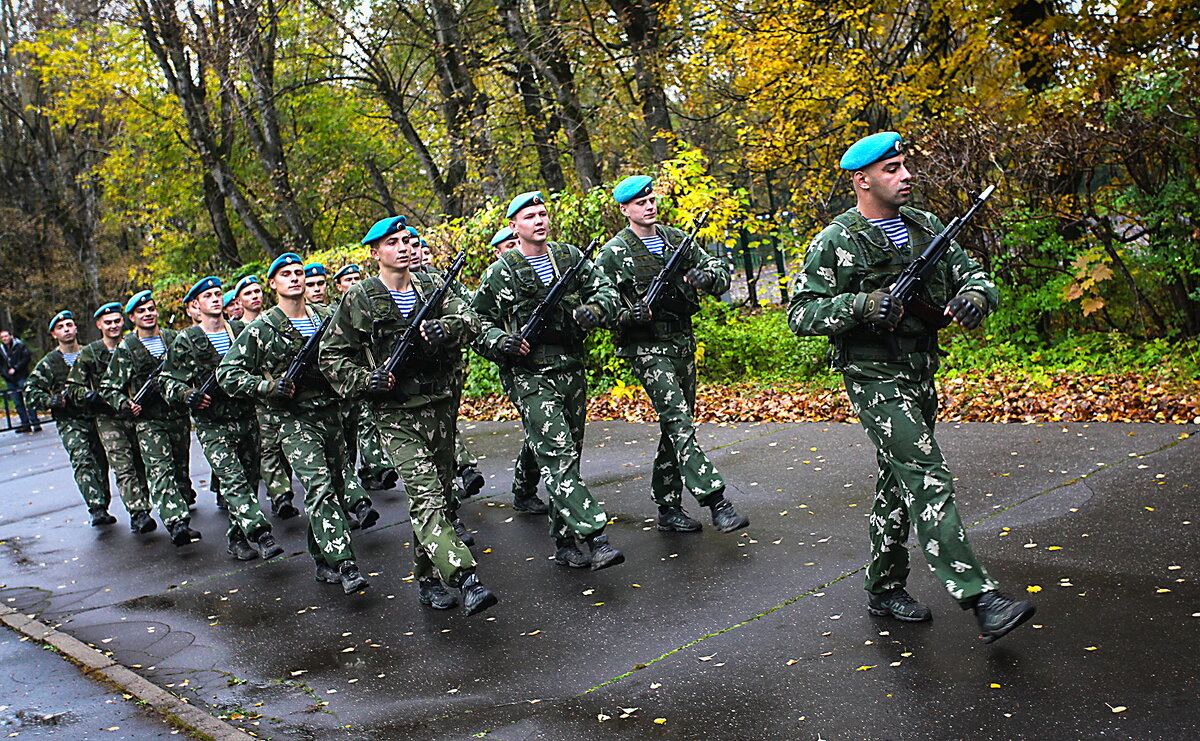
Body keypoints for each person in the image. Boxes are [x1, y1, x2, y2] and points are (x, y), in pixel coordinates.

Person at [786, 131, 1035, 643]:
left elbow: (975, 275)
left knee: (898, 480)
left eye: (904, 166)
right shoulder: (837, 241)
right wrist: (859, 306)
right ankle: (980, 597)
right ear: (862, 180)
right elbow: (801, 313)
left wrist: (973, 297)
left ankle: (883, 587)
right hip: (874, 376)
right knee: (926, 475)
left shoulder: (926, 227)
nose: (905, 176)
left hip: (922, 370)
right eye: (892, 169)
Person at [322, 217, 496, 615]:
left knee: (441, 497)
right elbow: (330, 356)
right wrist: (367, 380)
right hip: (395, 412)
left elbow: (470, 319)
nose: (402, 247)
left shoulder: (433, 285)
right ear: (375, 253)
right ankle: (466, 578)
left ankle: (426, 578)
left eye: (407, 240)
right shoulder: (360, 298)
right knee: (427, 494)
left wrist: (445, 329)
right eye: (392, 243)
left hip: (440, 407)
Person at [471, 191, 623, 571]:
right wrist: (501, 341)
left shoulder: (569, 256)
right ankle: (595, 536)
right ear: (513, 227)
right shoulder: (500, 272)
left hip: (570, 366)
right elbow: (473, 324)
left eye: (542, 214)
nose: (539, 221)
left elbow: (605, 290)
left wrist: (594, 310)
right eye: (529, 216)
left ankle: (563, 539)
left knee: (569, 455)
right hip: (528, 374)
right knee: (557, 455)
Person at [596, 175, 749, 534]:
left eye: (651, 200)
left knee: (675, 426)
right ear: (624, 210)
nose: (649, 206)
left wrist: (703, 278)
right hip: (646, 347)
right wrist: (625, 315)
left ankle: (667, 506)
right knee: (679, 420)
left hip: (681, 342)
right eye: (640, 203)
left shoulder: (676, 240)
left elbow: (720, 272)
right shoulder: (613, 253)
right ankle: (717, 502)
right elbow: (598, 307)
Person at [218, 253, 369, 595]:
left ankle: (321, 560)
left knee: (334, 481)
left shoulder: (326, 318)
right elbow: (227, 374)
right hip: (293, 420)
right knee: (319, 486)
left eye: (299, 273)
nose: (295, 279)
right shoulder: (262, 328)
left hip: (331, 413)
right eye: (286, 274)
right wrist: (267, 387)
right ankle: (345, 563)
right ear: (273, 283)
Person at [161, 277, 284, 562]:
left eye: (219, 294)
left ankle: (237, 538)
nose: (216, 300)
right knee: (232, 479)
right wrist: (187, 394)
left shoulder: (241, 331)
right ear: (196, 305)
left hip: (245, 417)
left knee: (250, 478)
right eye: (209, 296)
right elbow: (167, 380)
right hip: (212, 424)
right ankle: (261, 533)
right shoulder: (187, 340)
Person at [100, 290, 200, 546]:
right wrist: (125, 404)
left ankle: (181, 512)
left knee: (179, 469)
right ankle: (177, 522)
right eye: (141, 311)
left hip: (177, 417)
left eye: (151, 309)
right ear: (132, 317)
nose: (148, 314)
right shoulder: (127, 348)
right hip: (149, 421)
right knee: (159, 469)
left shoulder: (172, 338)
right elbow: (109, 387)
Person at [67, 303, 154, 533]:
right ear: (99, 325)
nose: (113, 326)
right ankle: (138, 512)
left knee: (141, 463)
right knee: (122, 464)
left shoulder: (134, 346)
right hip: (108, 417)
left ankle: (143, 503)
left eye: (117, 321)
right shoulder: (90, 353)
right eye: (108, 322)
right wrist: (89, 395)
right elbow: (73, 387)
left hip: (137, 413)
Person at [25, 311, 113, 525]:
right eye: (60, 326)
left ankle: (103, 502)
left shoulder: (90, 353)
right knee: (83, 460)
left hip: (96, 416)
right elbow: (30, 391)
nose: (66, 329)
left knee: (101, 463)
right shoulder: (50, 363)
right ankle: (96, 507)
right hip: (70, 420)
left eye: (69, 325)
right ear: (54, 334)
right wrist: (51, 401)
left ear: (76, 329)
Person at [486, 226, 545, 515]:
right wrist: (501, 342)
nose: (514, 250)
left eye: (514, 244)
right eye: (507, 246)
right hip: (517, 368)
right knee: (540, 428)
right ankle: (524, 489)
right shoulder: (496, 278)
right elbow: (481, 323)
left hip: (549, 363)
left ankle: (523, 486)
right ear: (498, 252)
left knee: (539, 430)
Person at [236, 273, 297, 518]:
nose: (255, 296)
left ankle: (282, 493)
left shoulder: (274, 321)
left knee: (282, 446)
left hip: (278, 395)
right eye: (248, 293)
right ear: (239, 300)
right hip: (254, 397)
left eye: (257, 291)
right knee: (268, 448)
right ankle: (279, 495)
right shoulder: (237, 329)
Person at [1, 328, 40, 432]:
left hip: (21, 376)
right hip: (10, 379)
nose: (4, 339)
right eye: (2, 337)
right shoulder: (1, 349)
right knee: (17, 402)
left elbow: (26, 358)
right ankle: (25, 424)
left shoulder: (20, 346)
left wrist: (16, 368)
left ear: (10, 336)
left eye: (6, 336)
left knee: (28, 399)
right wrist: (5, 374)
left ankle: (35, 422)